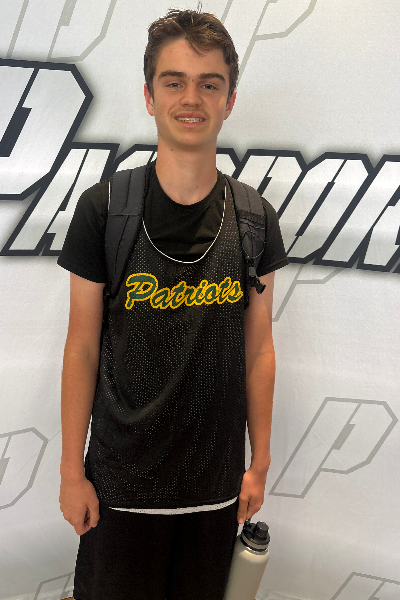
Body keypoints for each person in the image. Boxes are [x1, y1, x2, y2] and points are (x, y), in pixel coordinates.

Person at [58, 7, 289, 600]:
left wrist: (259, 463)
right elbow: (81, 348)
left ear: (229, 100)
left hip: (215, 493)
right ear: (149, 95)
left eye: (209, 84)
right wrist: (70, 471)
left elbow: (260, 350)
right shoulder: (104, 209)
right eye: (174, 81)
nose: (192, 98)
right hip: (119, 490)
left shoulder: (255, 219)